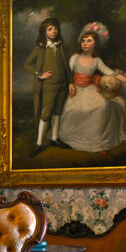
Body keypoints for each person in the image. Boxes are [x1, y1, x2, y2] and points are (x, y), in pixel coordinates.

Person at [57, 22, 126, 154]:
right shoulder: (75, 57)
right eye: (83, 41)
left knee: (103, 106)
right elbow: (67, 73)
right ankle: (74, 140)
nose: (85, 43)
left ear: (95, 44)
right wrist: (70, 84)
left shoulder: (96, 60)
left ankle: (98, 143)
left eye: (89, 41)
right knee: (74, 110)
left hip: (90, 89)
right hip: (76, 89)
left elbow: (111, 73)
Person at [23, 17, 73, 157]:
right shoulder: (40, 48)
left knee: (57, 112)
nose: (54, 31)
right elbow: (27, 65)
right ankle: (39, 143)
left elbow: (67, 66)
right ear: (44, 31)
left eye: (55, 28)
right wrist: (40, 74)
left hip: (62, 85)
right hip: (49, 86)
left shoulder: (61, 46)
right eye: (50, 29)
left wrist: (70, 82)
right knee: (46, 114)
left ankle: (54, 138)